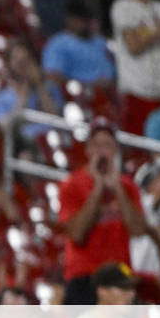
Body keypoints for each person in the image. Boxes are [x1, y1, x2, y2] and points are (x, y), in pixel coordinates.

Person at [59, 118, 146, 304]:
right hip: (84, 275)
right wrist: (98, 188)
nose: (101, 151)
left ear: (115, 151)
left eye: (107, 145)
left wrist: (118, 188)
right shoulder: (72, 184)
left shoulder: (127, 187)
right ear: (88, 150)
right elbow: (77, 234)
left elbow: (138, 230)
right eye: (96, 145)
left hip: (119, 274)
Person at [110, 0, 160, 135]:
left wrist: (148, 32)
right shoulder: (123, 7)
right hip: (137, 89)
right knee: (139, 146)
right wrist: (156, 31)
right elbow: (133, 45)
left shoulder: (159, 7)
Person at [41, 0, 116, 89]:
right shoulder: (58, 43)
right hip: (82, 96)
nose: (86, 24)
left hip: (112, 92)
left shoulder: (99, 40)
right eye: (81, 20)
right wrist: (90, 85)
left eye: (87, 19)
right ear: (70, 20)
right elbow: (53, 76)